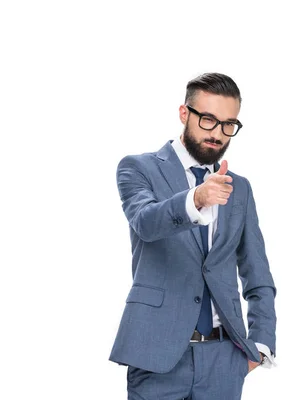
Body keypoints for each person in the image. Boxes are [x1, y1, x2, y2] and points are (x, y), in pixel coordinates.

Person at [109, 72, 277, 399]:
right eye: (208, 120)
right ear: (185, 113)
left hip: (224, 359)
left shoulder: (238, 187)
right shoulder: (139, 168)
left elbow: (257, 271)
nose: (218, 133)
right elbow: (145, 221)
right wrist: (196, 199)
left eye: (229, 124)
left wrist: (262, 343)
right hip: (156, 356)